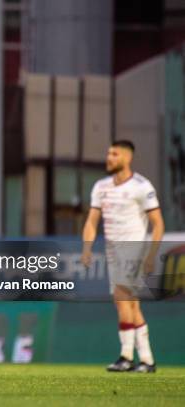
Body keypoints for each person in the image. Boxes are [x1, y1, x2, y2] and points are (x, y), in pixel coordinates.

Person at [82, 140, 164, 373]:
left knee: (122, 297)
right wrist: (87, 248)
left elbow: (158, 224)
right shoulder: (100, 186)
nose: (109, 158)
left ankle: (126, 356)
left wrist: (151, 255)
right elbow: (91, 220)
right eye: (108, 153)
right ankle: (147, 360)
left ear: (127, 158)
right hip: (112, 250)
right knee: (130, 304)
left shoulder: (141, 186)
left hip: (134, 247)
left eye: (114, 154)